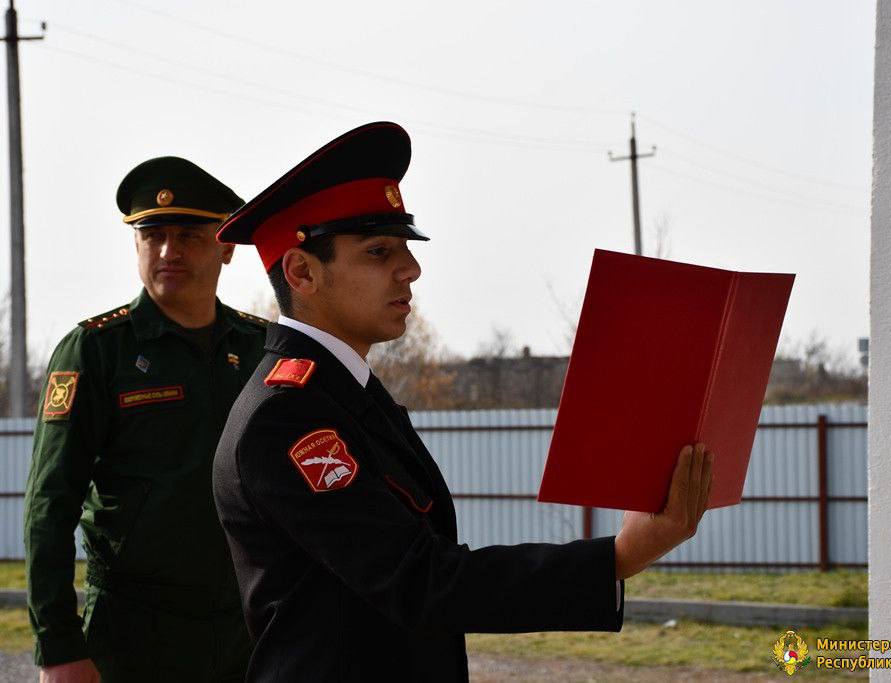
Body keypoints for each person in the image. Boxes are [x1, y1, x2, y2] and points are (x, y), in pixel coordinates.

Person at [212, 122, 715, 681]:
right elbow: (421, 581)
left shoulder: (340, 390)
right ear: (301, 271)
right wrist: (618, 557)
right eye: (379, 251)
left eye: (405, 249)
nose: (411, 270)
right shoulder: (286, 415)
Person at [24, 157, 268, 683]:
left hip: (246, 630)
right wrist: (59, 645)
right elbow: (50, 503)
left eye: (188, 235)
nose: (167, 251)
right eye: (152, 235)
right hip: (131, 634)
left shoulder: (260, 349)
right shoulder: (96, 350)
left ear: (227, 246)